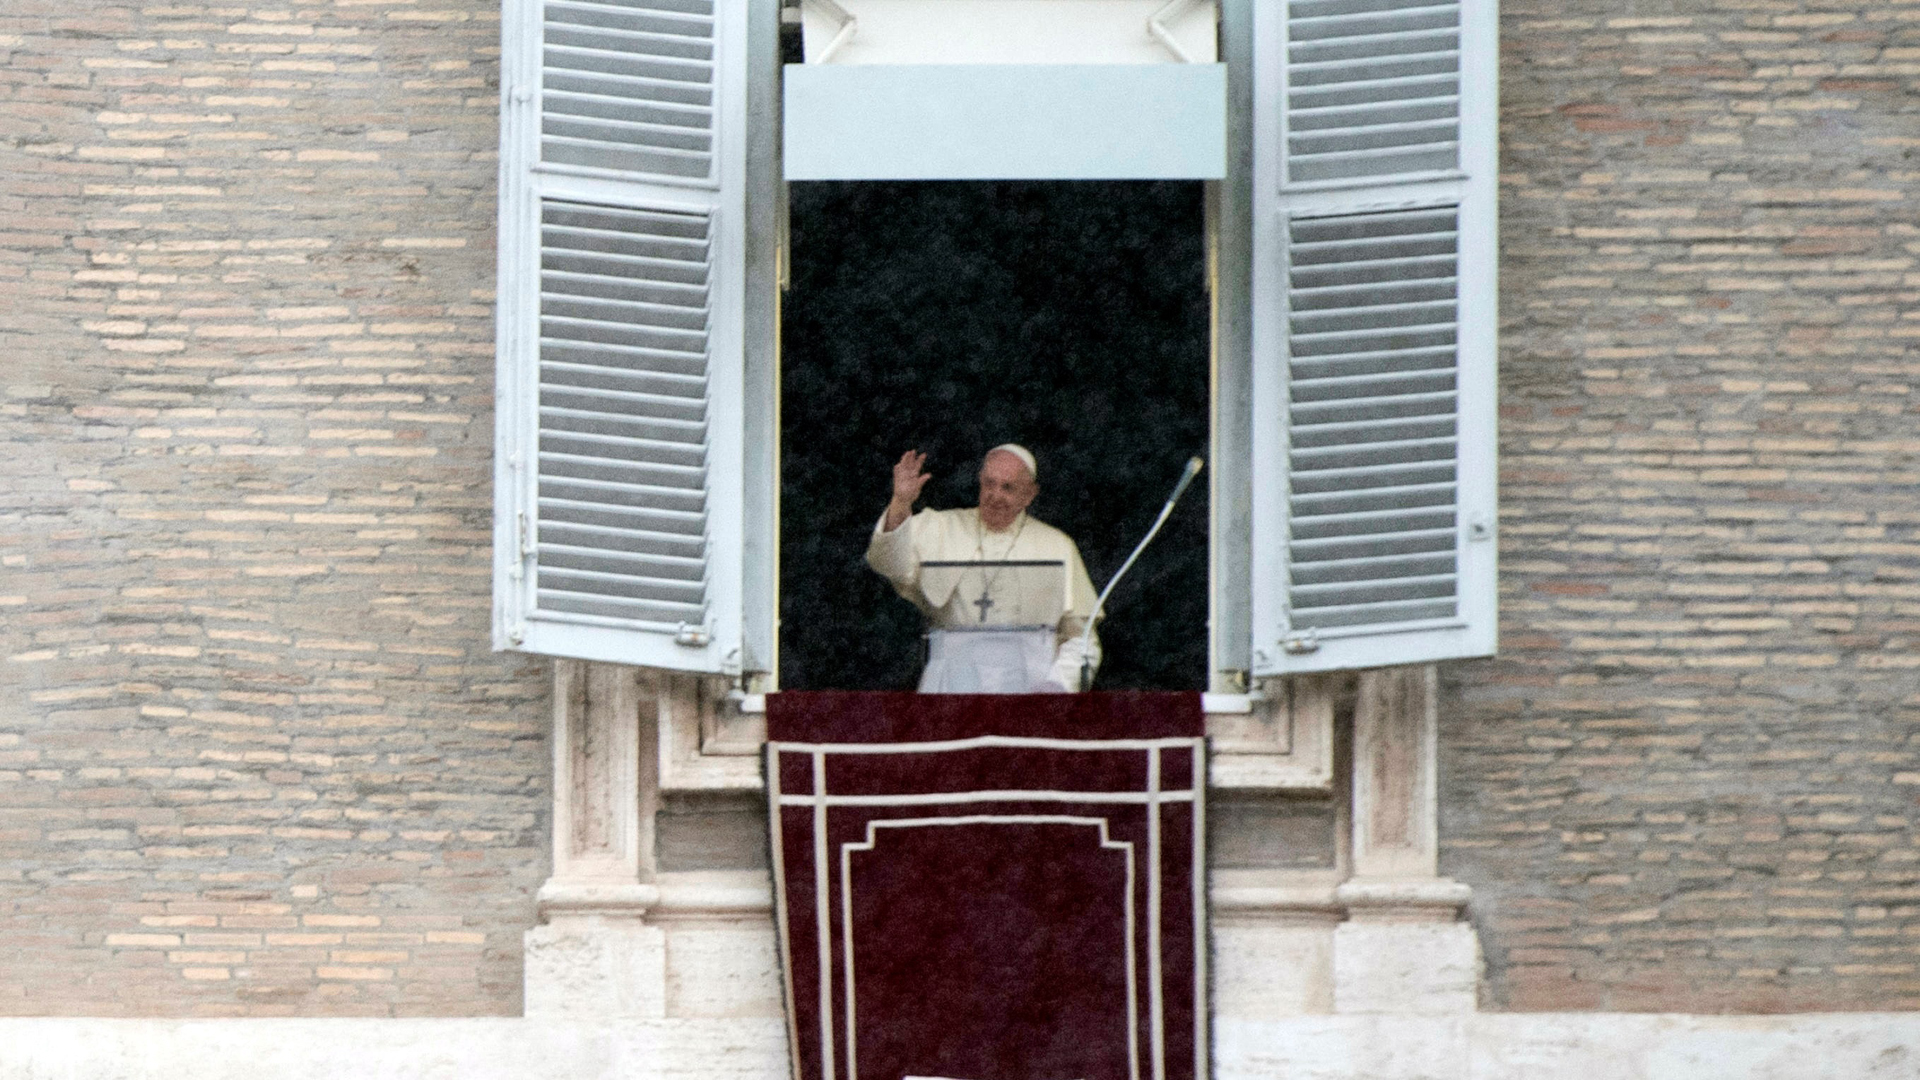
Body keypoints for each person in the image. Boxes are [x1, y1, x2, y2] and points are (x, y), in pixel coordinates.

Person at [866, 444, 1100, 691]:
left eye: (1007, 487)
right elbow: (887, 564)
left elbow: (1082, 640)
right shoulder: (941, 526)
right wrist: (901, 503)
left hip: (1031, 687)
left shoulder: (1057, 545)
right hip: (951, 685)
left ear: (1030, 494)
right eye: (989, 484)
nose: (995, 495)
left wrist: (1054, 691)